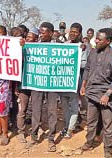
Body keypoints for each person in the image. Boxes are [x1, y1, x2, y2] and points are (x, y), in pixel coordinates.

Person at [80, 28, 112, 158]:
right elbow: (87, 69)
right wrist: (83, 85)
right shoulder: (93, 53)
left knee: (108, 124)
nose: (96, 40)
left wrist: (107, 95)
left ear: (108, 41)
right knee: (91, 121)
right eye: (96, 38)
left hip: (106, 96)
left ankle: (108, 149)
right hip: (91, 92)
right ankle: (89, 142)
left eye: (99, 39)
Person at [25, 22, 59, 152]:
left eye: (43, 32)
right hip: (37, 82)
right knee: (36, 109)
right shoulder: (34, 45)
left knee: (52, 111)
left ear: (50, 33)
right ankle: (34, 136)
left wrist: (81, 48)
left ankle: (51, 138)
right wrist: (22, 47)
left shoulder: (59, 46)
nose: (41, 35)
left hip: (52, 84)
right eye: (40, 32)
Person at [59, 23, 84, 139]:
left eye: (76, 32)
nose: (73, 34)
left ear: (79, 33)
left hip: (74, 81)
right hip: (63, 80)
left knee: (74, 106)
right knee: (64, 106)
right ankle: (67, 125)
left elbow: (84, 64)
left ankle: (70, 129)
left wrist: (77, 56)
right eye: (71, 31)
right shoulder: (65, 45)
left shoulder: (83, 47)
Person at [15, 27, 39, 143]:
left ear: (36, 39)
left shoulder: (40, 50)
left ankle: (35, 132)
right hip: (23, 84)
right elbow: (16, 67)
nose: (27, 39)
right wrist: (15, 86)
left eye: (30, 37)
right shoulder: (21, 48)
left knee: (36, 110)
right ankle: (21, 132)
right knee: (22, 110)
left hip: (36, 84)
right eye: (27, 37)